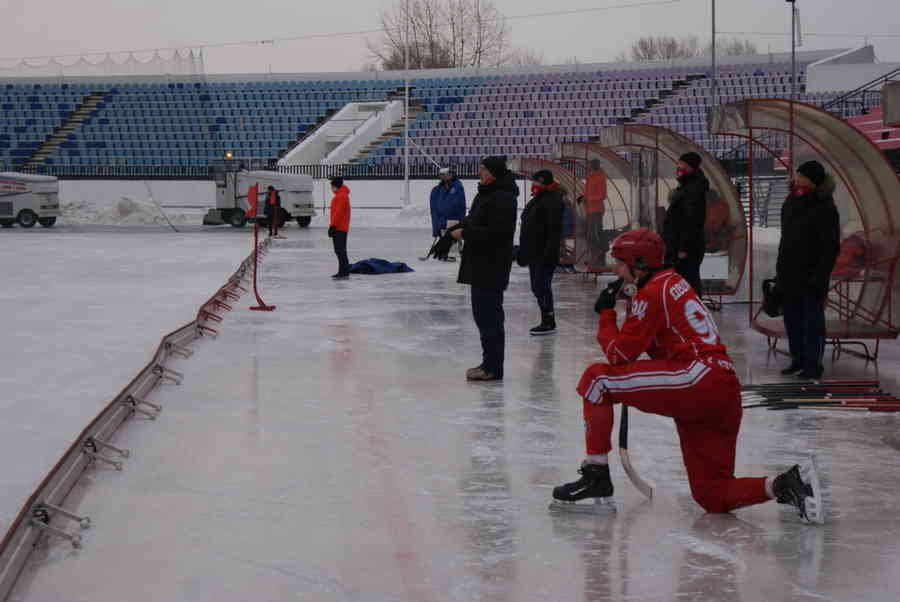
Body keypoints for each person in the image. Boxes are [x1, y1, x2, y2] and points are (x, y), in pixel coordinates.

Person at [551, 228, 825, 524]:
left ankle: (596, 476)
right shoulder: (671, 282)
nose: (615, 269)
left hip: (697, 377)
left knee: (597, 379)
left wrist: (606, 314)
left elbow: (619, 355)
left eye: (620, 262)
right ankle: (785, 484)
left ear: (638, 264)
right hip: (723, 387)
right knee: (712, 495)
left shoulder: (653, 292)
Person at [450, 156, 518, 381]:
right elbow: (476, 220)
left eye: (483, 169)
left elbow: (496, 234)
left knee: (490, 319)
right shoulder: (487, 193)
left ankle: (493, 368)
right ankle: (488, 363)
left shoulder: (503, 198)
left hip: (492, 266)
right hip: (481, 265)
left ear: (493, 173)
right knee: (483, 317)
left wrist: (465, 233)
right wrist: (462, 225)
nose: (480, 172)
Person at [775, 160, 840, 379]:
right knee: (792, 320)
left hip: (812, 276)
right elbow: (786, 240)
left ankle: (813, 365)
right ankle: (798, 359)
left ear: (813, 181)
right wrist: (780, 270)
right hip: (790, 273)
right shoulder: (792, 201)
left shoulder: (825, 207)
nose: (797, 179)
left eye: (801, 176)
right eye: (797, 175)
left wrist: (820, 277)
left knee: (812, 322)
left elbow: (830, 248)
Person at [517, 169, 564, 335]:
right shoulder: (539, 199)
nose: (533, 185)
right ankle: (547, 319)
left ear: (544, 183)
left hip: (543, 254)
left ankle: (549, 321)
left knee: (542, 287)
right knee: (537, 287)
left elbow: (554, 231)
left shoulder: (552, 200)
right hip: (534, 252)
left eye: (536, 182)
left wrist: (548, 253)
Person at [662, 152, 708, 295]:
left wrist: (683, 248)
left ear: (691, 168)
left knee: (688, 281)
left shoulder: (693, 189)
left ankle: (692, 310)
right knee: (683, 281)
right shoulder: (687, 186)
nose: (678, 167)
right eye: (678, 164)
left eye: (682, 165)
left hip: (685, 248)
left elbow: (692, 221)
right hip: (679, 245)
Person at [430, 168, 467, 261]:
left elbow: (456, 203)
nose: (441, 177)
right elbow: (438, 204)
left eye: (443, 174)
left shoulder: (457, 186)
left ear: (450, 175)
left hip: (454, 218)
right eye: (440, 175)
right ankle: (445, 253)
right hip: (443, 218)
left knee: (453, 234)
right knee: (444, 234)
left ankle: (453, 253)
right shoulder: (439, 189)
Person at [583, 159, 608, 267]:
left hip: (596, 210)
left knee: (596, 232)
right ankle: (595, 255)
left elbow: (602, 195)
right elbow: (587, 192)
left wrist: (588, 198)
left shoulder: (600, 177)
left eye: (591, 165)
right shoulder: (591, 177)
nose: (589, 167)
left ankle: (600, 252)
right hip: (590, 209)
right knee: (591, 233)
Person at [328, 177, 351, 280]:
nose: (331, 188)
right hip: (341, 227)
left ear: (336, 186)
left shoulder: (341, 196)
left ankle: (343, 271)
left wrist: (333, 226)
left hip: (339, 227)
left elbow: (338, 213)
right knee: (341, 250)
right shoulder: (342, 195)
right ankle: (343, 270)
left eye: (332, 186)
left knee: (340, 250)